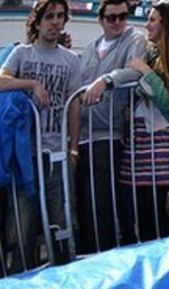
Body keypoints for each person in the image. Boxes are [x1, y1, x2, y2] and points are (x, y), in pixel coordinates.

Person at [0, 0, 82, 271]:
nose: (55, 22)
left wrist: (73, 148)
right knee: (21, 227)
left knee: (64, 224)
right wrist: (32, 83)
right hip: (25, 156)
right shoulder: (22, 53)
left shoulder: (70, 59)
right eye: (49, 16)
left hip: (56, 152)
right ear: (37, 21)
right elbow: (1, 80)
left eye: (60, 16)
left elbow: (74, 104)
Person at [117, 1, 169, 242]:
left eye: (152, 19)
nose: (147, 25)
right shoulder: (150, 52)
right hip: (143, 135)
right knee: (141, 206)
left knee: (156, 204)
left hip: (166, 135)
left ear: (166, 23)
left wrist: (145, 71)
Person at [76, 0, 146, 254]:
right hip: (81, 134)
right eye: (111, 17)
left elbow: (135, 69)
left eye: (123, 16)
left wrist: (107, 79)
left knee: (102, 202)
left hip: (109, 132)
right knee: (84, 201)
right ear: (101, 19)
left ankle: (102, 255)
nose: (118, 22)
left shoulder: (134, 39)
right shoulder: (90, 48)